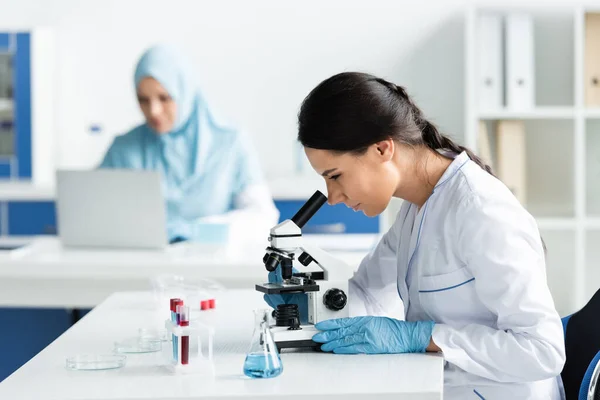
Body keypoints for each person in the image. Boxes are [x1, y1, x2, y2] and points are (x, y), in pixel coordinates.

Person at [265, 72, 565, 399]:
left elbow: (542, 350)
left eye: (335, 176)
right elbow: (367, 292)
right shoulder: (416, 206)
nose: (333, 196)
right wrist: (311, 302)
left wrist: (422, 337)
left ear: (382, 149)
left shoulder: (480, 211)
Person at [99, 45, 279, 243]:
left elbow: (262, 217)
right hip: (141, 265)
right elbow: (91, 212)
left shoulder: (230, 142)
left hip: (213, 266)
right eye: (143, 100)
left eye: (164, 98)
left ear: (184, 91)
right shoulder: (124, 148)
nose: (154, 111)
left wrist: (198, 230)